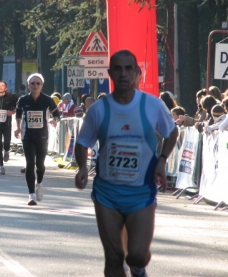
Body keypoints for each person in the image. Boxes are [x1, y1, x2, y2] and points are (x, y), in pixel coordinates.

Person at [74, 50, 178, 277]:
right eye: (118, 69)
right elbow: (82, 143)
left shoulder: (152, 106)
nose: (123, 74)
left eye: (128, 69)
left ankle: (138, 268)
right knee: (113, 259)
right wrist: (82, 168)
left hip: (141, 194)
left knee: (137, 255)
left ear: (137, 74)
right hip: (107, 194)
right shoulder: (98, 110)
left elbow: (172, 132)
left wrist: (162, 160)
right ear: (110, 73)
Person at [14, 73, 60, 206]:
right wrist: (18, 128)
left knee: (40, 165)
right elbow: (18, 115)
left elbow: (57, 115)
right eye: (33, 83)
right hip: (27, 136)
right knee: (30, 163)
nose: (35, 85)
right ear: (28, 85)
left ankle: (39, 183)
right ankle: (31, 195)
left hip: (42, 136)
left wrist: (54, 120)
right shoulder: (23, 100)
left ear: (42, 86)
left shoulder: (47, 100)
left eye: (38, 83)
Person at [0, 81, 18, 175]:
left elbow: (17, 106)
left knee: (7, 142)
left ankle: (6, 150)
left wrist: (12, 111)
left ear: (6, 88)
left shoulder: (11, 97)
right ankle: (1, 166)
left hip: (6, 123)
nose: (1, 87)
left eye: (3, 86)